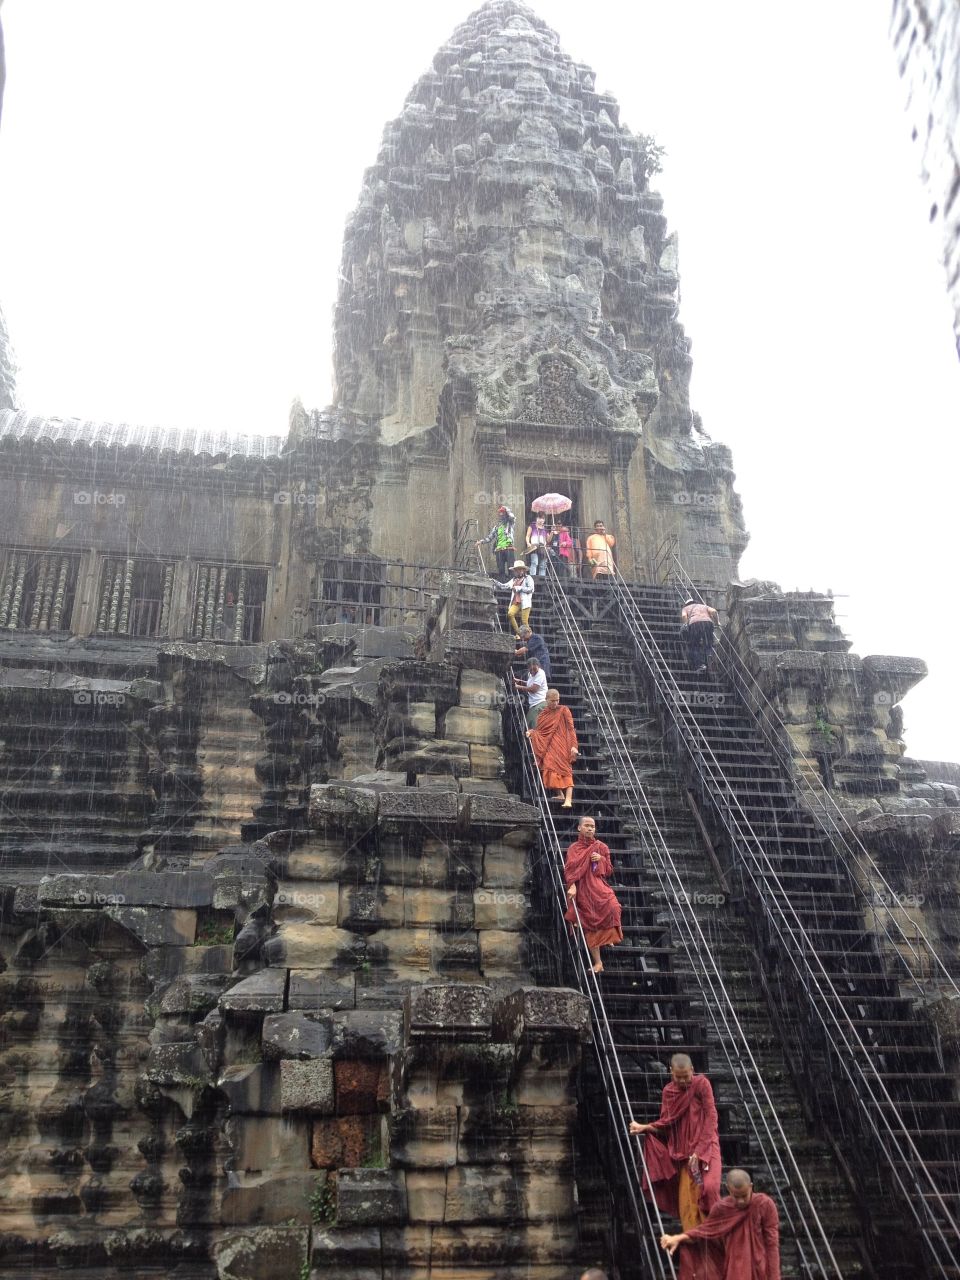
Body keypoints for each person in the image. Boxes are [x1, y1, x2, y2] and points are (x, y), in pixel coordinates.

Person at [628, 1053, 721, 1231]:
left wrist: (699, 1151)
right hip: (685, 1156)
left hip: (707, 1148)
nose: (683, 1082)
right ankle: (697, 1248)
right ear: (671, 1072)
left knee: (709, 1189)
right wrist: (645, 1127)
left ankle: (717, 1235)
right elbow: (667, 1124)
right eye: (678, 1078)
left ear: (692, 1070)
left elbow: (711, 1117)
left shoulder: (701, 1084)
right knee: (688, 1207)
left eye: (686, 1077)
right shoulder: (669, 1092)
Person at [660, 1169, 781, 1280]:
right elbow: (705, 1231)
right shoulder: (722, 1208)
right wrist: (678, 1238)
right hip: (734, 1266)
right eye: (736, 1196)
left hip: (759, 1266)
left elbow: (772, 1243)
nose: (740, 1201)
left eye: (744, 1196)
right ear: (728, 1189)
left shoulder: (764, 1204)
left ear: (751, 1187)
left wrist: (774, 1277)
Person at [564, 816, 622, 974]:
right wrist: (573, 886)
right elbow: (570, 870)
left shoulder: (601, 847)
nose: (590, 829)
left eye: (593, 826)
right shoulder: (573, 848)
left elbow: (609, 870)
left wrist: (601, 860)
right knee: (589, 924)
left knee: (614, 907)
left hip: (598, 886)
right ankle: (598, 962)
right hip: (583, 888)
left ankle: (608, 938)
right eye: (587, 826)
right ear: (579, 828)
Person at [527, 688, 578, 808]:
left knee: (565, 770)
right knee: (550, 767)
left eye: (557, 700)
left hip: (563, 744)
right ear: (546, 700)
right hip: (549, 745)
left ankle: (568, 799)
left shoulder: (564, 710)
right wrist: (532, 733)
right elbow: (541, 731)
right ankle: (560, 794)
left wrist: (574, 746)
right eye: (552, 701)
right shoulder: (543, 714)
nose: (555, 703)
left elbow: (571, 729)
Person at [681, 595, 719, 673]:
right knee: (708, 642)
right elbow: (714, 611)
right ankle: (709, 654)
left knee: (694, 645)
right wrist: (717, 622)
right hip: (708, 623)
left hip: (694, 624)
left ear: (686, 604)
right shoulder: (704, 606)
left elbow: (684, 616)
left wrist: (685, 624)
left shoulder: (685, 608)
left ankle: (701, 664)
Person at [477, 505, 516, 578]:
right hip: (499, 550)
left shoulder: (510, 524)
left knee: (511, 568)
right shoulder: (497, 527)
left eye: (503, 513)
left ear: (506, 514)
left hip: (508, 548)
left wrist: (506, 509)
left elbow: (512, 517)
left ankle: (512, 584)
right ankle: (502, 583)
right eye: (500, 514)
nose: (501, 515)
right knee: (501, 570)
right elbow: (490, 538)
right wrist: (481, 542)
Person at [498, 559, 535, 634]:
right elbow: (504, 586)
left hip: (525, 602)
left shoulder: (528, 578)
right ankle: (519, 633)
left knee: (524, 621)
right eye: (517, 570)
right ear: (515, 571)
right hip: (516, 602)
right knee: (510, 614)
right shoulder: (514, 580)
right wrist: (495, 582)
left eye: (520, 570)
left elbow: (531, 589)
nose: (519, 571)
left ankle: (530, 636)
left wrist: (519, 588)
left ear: (524, 570)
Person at [514, 657, 548, 727]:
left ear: (538, 666)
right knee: (528, 724)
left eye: (534, 669)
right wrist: (520, 681)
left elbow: (534, 689)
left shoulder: (541, 674)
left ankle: (534, 737)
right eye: (530, 669)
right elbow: (530, 683)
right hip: (533, 704)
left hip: (540, 703)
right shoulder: (530, 674)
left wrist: (519, 687)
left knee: (531, 725)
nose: (532, 671)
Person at [525, 513, 552, 578]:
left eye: (542, 518)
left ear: (544, 520)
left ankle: (541, 578)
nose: (541, 520)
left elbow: (548, 540)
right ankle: (532, 577)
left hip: (543, 547)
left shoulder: (545, 529)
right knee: (534, 562)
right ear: (536, 518)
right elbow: (527, 536)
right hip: (534, 546)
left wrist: (552, 532)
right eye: (539, 518)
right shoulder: (532, 526)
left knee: (543, 565)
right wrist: (528, 543)